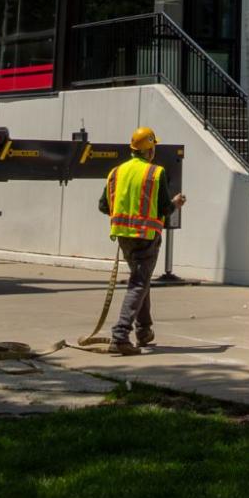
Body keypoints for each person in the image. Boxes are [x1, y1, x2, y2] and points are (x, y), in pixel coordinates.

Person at [102, 125, 185, 354]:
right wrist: (176, 203)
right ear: (150, 150)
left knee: (142, 280)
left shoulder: (116, 172)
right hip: (146, 237)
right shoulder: (155, 173)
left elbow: (103, 206)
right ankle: (120, 336)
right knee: (139, 284)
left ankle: (144, 331)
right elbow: (164, 208)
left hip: (123, 237)